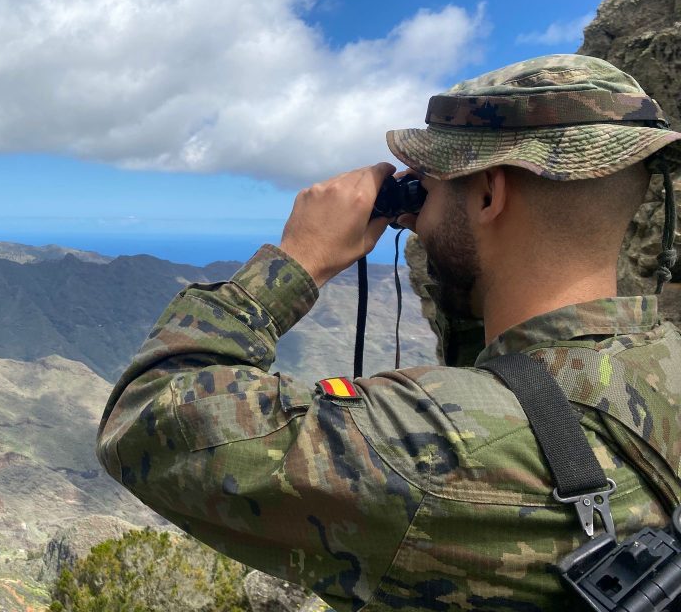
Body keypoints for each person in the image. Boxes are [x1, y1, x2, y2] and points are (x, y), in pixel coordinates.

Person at [96, 55, 681, 611]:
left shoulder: (433, 454)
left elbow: (146, 418)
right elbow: (520, 380)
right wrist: (459, 244)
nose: (418, 211)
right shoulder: (663, 364)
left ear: (487, 193)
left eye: (433, 181)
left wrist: (295, 262)